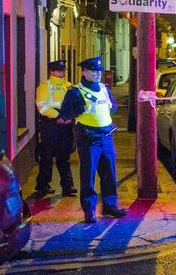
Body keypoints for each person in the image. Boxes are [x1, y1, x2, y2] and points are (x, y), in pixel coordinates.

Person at [59, 56, 128, 224]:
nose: (98, 74)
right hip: (89, 139)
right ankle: (89, 210)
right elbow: (65, 114)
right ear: (84, 72)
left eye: (99, 71)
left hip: (107, 137)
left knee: (109, 173)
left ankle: (110, 205)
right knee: (88, 175)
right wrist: (79, 108)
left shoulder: (104, 89)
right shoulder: (75, 91)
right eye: (94, 71)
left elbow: (112, 106)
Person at [34, 59, 77, 198]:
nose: (61, 72)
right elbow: (42, 106)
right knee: (46, 158)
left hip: (65, 126)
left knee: (64, 158)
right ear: (51, 71)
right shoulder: (45, 86)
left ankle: (68, 187)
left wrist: (69, 117)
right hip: (50, 126)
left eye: (63, 70)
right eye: (58, 70)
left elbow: (75, 104)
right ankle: (42, 186)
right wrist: (59, 116)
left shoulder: (69, 86)